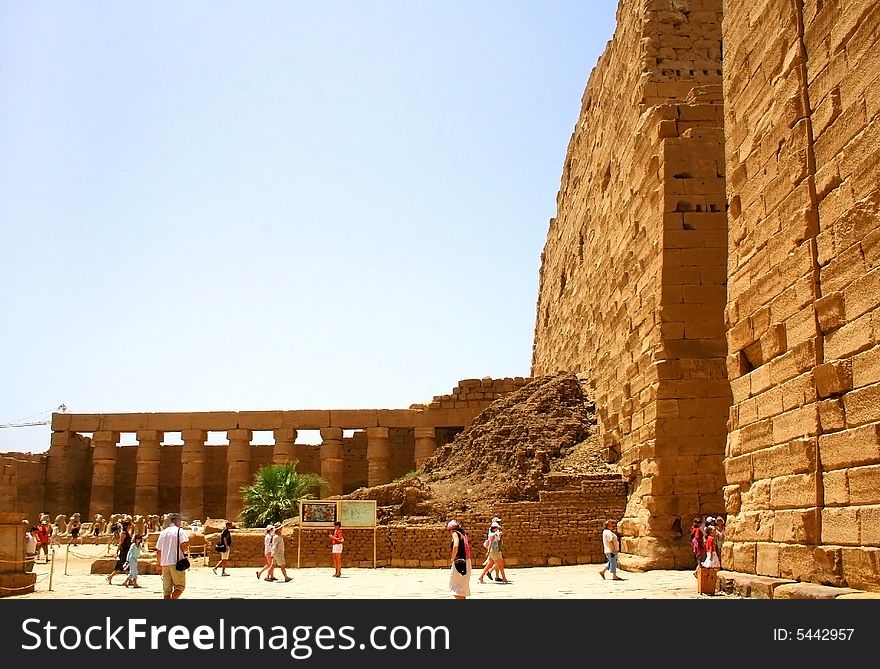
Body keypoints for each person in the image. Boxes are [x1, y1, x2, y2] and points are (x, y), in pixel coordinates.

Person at [154, 512, 190, 599]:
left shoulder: (163, 532)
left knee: (166, 591)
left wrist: (158, 565)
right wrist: (182, 550)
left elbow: (158, 550)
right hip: (176, 563)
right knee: (180, 586)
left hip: (165, 564)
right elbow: (185, 543)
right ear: (178, 521)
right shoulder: (179, 531)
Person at [447, 519, 472, 599]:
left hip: (459, 562)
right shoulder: (463, 534)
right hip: (467, 562)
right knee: (462, 588)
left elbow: (455, 546)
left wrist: (452, 558)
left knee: (456, 588)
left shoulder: (455, 533)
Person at [478, 520, 508, 584]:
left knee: (489, 565)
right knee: (501, 564)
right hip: (495, 551)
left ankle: (481, 577)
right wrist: (488, 551)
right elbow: (490, 543)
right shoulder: (493, 535)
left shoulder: (493, 534)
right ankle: (504, 578)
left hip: (494, 551)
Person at [107, 521, 133, 585]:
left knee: (125, 566)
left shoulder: (128, 533)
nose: (131, 526)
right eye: (130, 525)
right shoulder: (123, 533)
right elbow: (120, 543)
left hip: (128, 551)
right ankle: (129, 580)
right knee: (123, 565)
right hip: (123, 551)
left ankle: (110, 577)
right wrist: (117, 552)